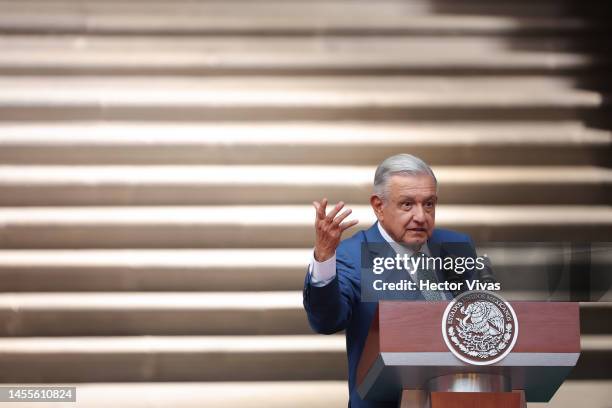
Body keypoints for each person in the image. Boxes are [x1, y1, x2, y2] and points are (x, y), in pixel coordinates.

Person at [302, 153, 477, 408]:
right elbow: (327, 321)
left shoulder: (457, 246)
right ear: (378, 206)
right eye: (407, 205)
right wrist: (324, 259)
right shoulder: (351, 255)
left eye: (429, 204)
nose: (421, 216)